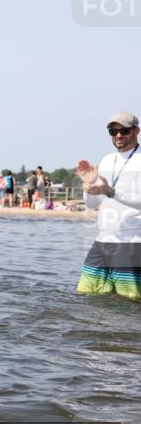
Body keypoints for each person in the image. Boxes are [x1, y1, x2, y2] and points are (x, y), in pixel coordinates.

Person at [75, 111, 140, 301]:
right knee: (87, 296)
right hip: (103, 241)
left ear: (137, 130)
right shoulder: (106, 160)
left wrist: (110, 191)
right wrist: (90, 187)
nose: (118, 135)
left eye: (124, 130)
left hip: (132, 242)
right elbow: (92, 204)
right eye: (113, 131)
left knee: (130, 302)